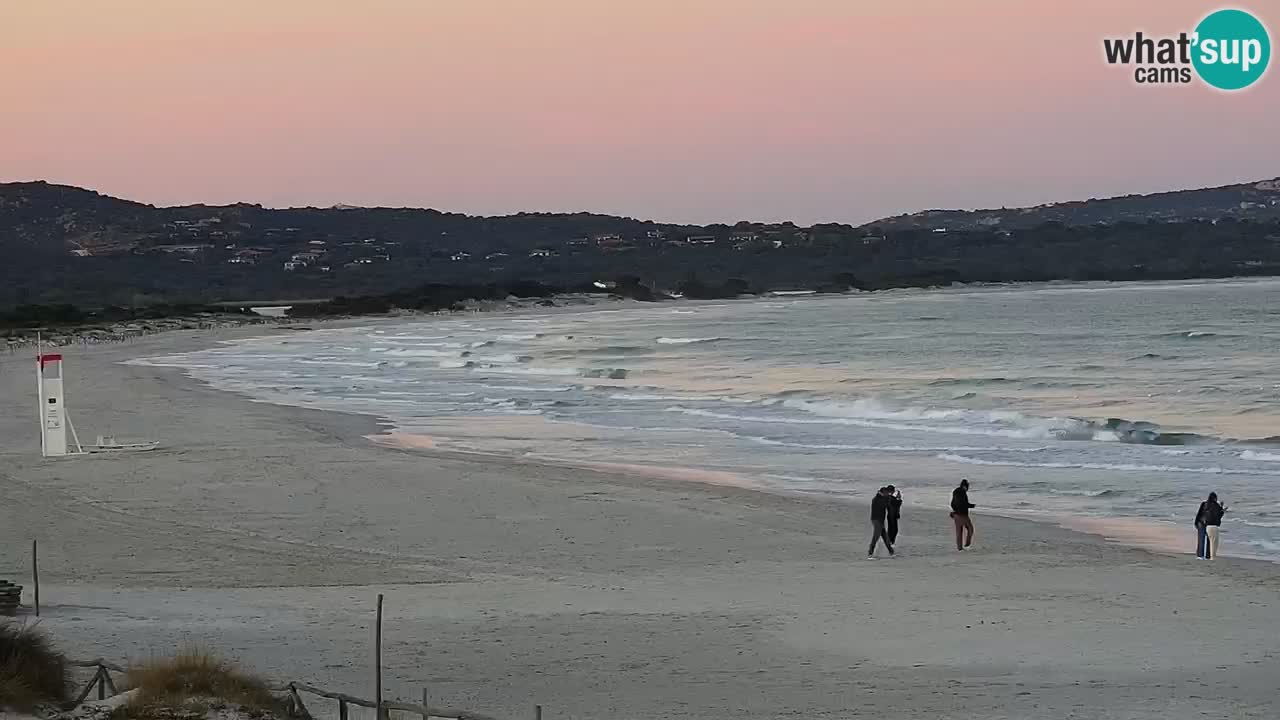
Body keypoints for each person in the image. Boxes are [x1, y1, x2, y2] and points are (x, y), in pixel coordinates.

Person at [1194, 492, 1228, 559]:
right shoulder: (1216, 506)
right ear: (1215, 498)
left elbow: (1199, 513)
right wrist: (1222, 509)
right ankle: (1208, 555)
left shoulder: (1204, 504)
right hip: (1210, 524)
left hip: (1201, 523)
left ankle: (1200, 555)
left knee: (1201, 539)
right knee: (1210, 540)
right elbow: (1218, 516)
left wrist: (1195, 523)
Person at [868, 486, 895, 559]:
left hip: (879, 520)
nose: (888, 494)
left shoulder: (879, 498)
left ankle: (891, 552)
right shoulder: (878, 499)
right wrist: (890, 497)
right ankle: (870, 553)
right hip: (877, 520)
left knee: (885, 537)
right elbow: (886, 505)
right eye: (887, 493)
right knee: (876, 537)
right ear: (883, 492)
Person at [950, 478, 975, 551]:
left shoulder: (955, 491)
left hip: (956, 514)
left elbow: (953, 503)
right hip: (962, 515)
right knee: (970, 529)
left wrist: (954, 511)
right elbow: (963, 503)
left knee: (959, 531)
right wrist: (971, 506)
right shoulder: (962, 492)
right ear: (965, 486)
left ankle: (960, 548)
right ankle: (967, 543)